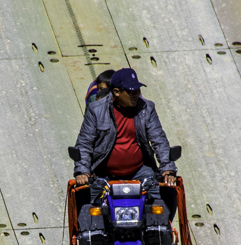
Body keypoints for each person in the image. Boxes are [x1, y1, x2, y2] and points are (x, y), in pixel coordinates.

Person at [73, 68, 177, 197]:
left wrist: (167, 169)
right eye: (131, 91)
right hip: (103, 175)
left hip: (140, 172)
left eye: (138, 90)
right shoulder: (96, 110)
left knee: (166, 197)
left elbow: (159, 140)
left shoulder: (147, 108)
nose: (136, 95)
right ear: (116, 92)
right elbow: (84, 143)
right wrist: (82, 172)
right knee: (86, 207)